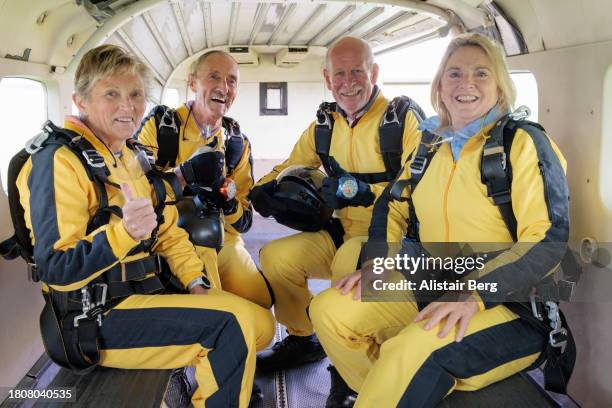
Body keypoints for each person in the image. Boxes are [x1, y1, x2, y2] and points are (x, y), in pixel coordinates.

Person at [309, 32, 574, 407]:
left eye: (481, 73)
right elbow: (393, 205)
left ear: (499, 84)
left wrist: (474, 294)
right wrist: (378, 263)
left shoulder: (522, 143)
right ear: (439, 85)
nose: (466, 83)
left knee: (413, 350)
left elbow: (548, 238)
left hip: (511, 304)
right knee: (329, 311)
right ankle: (385, 394)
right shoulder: (429, 144)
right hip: (431, 279)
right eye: (454, 73)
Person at [17, 44, 274, 407]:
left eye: (135, 94)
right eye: (112, 94)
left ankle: (214, 369)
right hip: (94, 314)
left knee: (264, 316)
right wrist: (125, 234)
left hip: (148, 289)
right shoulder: (59, 161)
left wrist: (196, 284)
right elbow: (57, 270)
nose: (128, 106)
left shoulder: (129, 153)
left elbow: (168, 229)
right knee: (231, 326)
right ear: (81, 101)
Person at [249, 36, 423, 378]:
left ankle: (350, 368)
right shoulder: (324, 127)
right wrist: (262, 190)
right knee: (275, 257)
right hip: (340, 233)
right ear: (327, 79)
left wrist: (366, 192)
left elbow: (419, 184)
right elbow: (288, 165)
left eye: (357, 71)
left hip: (390, 241)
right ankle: (304, 339)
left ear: (373, 72)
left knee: (347, 262)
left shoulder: (402, 119)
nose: (348, 83)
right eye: (339, 74)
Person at [136, 50, 270, 309]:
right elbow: (137, 193)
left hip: (370, 238)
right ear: (193, 82)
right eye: (214, 77)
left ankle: (368, 306)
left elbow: (244, 220)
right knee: (221, 312)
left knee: (264, 298)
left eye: (232, 81)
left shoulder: (235, 142)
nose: (224, 87)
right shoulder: (164, 127)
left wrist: (227, 202)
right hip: (172, 236)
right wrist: (183, 176)